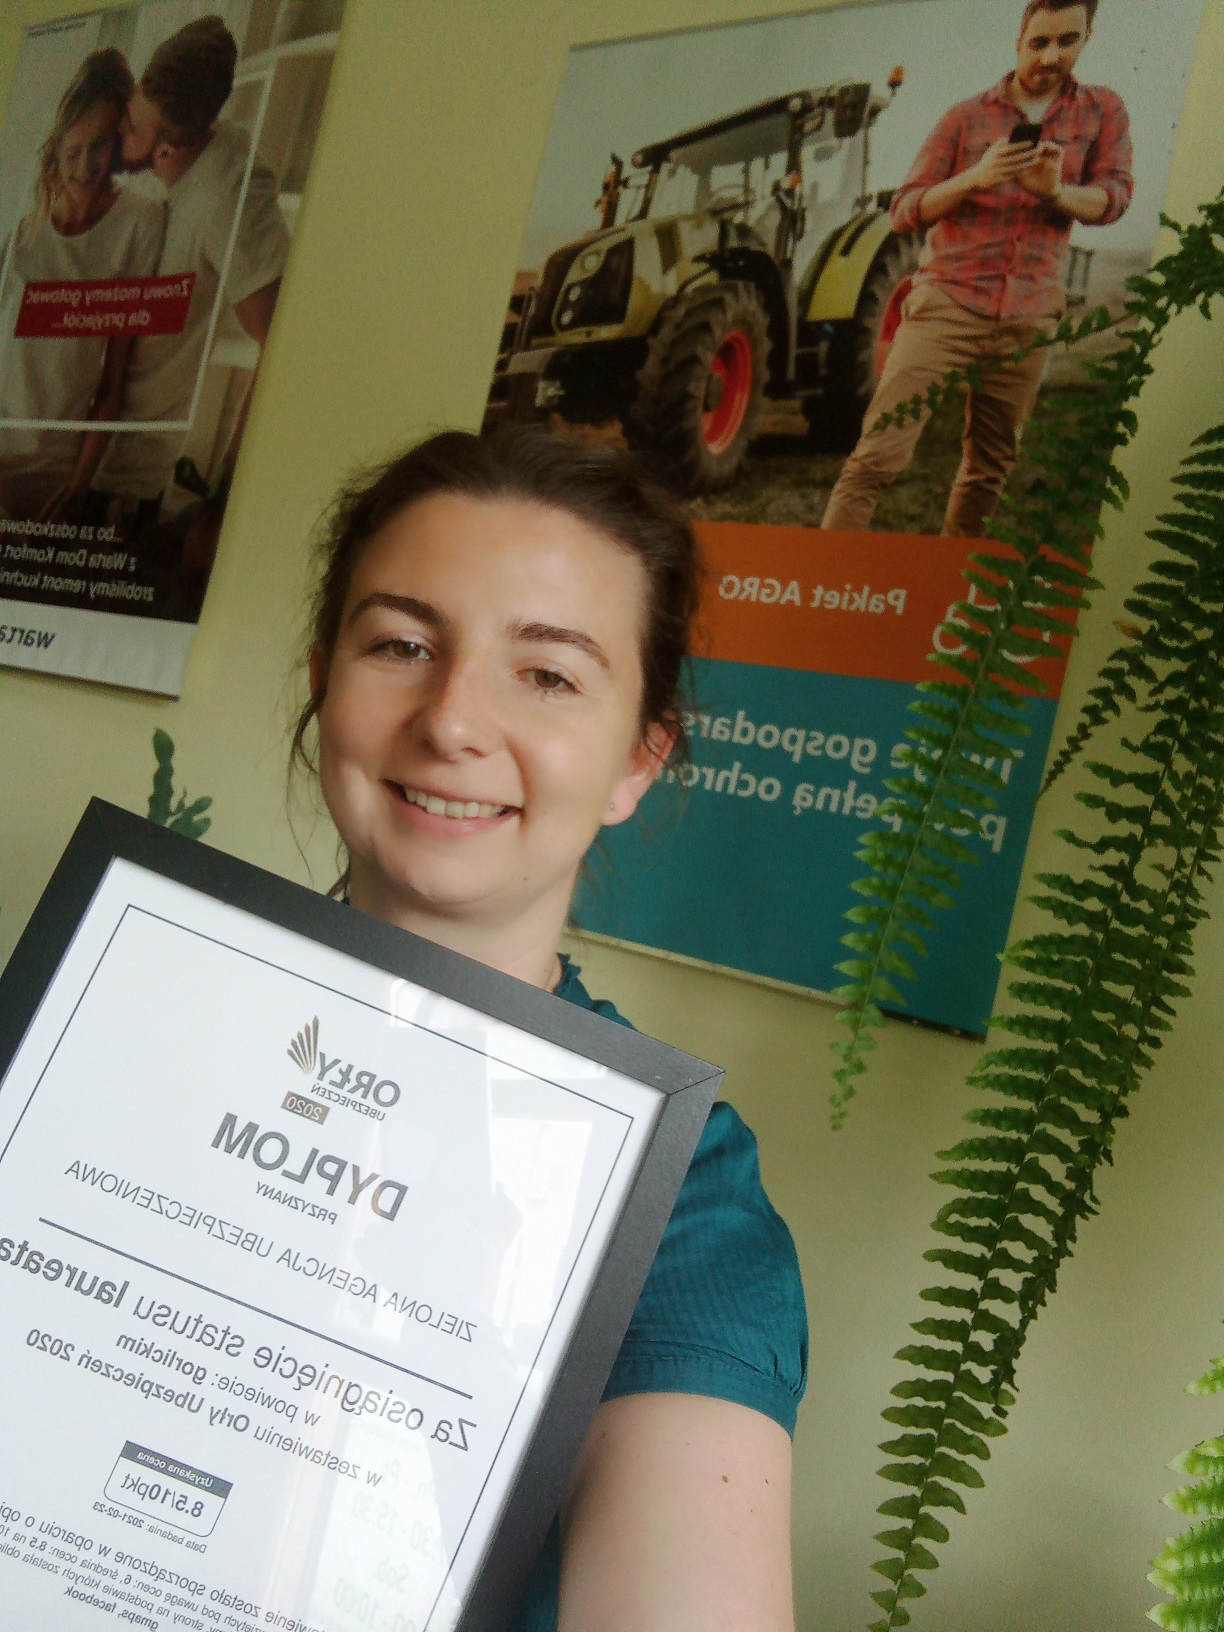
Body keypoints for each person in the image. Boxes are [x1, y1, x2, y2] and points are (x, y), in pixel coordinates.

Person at [294, 427, 808, 1631]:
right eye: (403, 645)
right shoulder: (110, 1010)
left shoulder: (678, 1194)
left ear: (639, 760)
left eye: (549, 674)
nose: (453, 722)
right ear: (324, 680)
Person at [821, 0, 1132, 537]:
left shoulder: (1103, 111)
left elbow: (1116, 196)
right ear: (1019, 40)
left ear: (1087, 38)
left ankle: (951, 582)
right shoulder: (964, 117)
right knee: (874, 458)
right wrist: (975, 177)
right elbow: (904, 210)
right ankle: (825, 577)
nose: (1051, 56)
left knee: (989, 471)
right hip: (948, 306)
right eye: (1039, 42)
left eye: (1067, 41)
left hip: (1028, 318)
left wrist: (1056, 192)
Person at [90, 14, 289, 526]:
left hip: (122, 487)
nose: (120, 128)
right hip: (75, 456)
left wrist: (219, 507)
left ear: (168, 149)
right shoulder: (157, 160)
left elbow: (285, 342)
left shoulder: (228, 196)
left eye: (134, 128)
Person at [0, 49, 163, 522]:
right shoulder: (21, 237)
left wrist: (79, 485)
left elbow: (113, 382)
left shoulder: (139, 222)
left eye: (100, 147)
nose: (86, 167)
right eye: (73, 151)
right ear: (56, 149)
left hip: (62, 472)